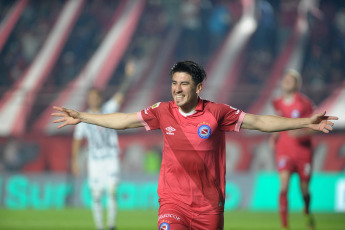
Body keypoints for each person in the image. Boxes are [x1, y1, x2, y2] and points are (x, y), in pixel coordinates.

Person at [52, 61, 337, 230]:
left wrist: (306, 123)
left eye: (184, 84)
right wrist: (83, 117)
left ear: (198, 87)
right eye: (174, 83)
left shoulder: (218, 112)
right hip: (172, 202)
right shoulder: (161, 111)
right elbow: (124, 120)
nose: (176, 89)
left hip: (209, 207)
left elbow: (261, 123)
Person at [71, 60, 135, 230]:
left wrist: (128, 76)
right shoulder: (82, 118)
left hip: (110, 158)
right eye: (90, 97)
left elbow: (121, 94)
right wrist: (75, 161)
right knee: (97, 195)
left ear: (100, 98)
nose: (93, 99)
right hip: (94, 161)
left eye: (96, 96)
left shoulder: (109, 108)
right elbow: (77, 141)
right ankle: (100, 227)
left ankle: (111, 225)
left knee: (112, 191)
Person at [269, 69, 316, 230]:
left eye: (291, 79)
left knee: (304, 190)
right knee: (283, 186)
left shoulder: (305, 103)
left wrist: (302, 131)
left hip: (303, 151)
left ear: (297, 84)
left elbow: (315, 126)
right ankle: (285, 226)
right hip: (284, 150)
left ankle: (308, 212)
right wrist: (274, 136)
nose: (286, 81)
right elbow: (276, 122)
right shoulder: (276, 103)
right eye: (285, 79)